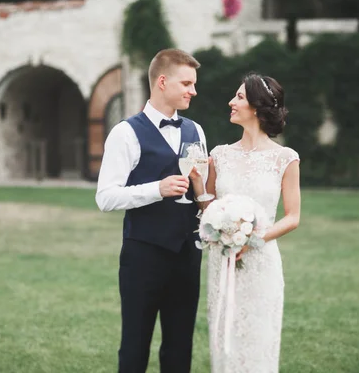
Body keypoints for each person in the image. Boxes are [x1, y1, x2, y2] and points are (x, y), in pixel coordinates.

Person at [95, 48, 206, 373]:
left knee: (180, 345)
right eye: (186, 83)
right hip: (143, 256)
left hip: (188, 254)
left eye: (193, 84)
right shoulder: (125, 133)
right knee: (134, 345)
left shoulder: (196, 130)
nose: (193, 91)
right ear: (161, 81)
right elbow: (105, 197)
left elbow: (201, 188)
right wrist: (156, 190)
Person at [190, 73, 301, 372]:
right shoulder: (220, 155)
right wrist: (198, 186)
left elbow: (293, 217)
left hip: (261, 263)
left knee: (258, 341)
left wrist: (252, 239)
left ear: (256, 107)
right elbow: (208, 209)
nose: (231, 102)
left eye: (239, 97)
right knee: (224, 340)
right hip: (222, 262)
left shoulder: (285, 159)